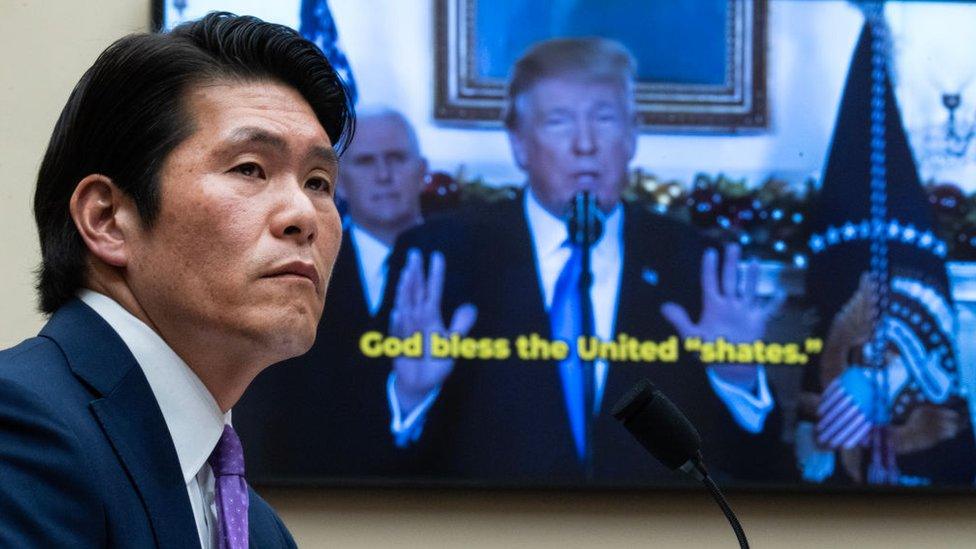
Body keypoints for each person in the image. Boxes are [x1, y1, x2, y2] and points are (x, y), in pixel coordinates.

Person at [0, 12, 353, 547]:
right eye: (250, 168)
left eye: (319, 181)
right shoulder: (22, 429)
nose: (303, 214)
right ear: (107, 220)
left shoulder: (261, 530)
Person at [381, 38, 793, 484]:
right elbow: (365, 457)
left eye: (604, 118)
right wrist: (411, 395)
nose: (585, 144)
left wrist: (738, 381)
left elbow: (763, 474)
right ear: (519, 144)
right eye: (559, 121)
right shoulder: (441, 258)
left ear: (632, 135)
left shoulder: (694, 264)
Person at [234, 107, 429, 480]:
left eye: (396, 159)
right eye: (367, 162)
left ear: (422, 171)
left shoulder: (475, 264)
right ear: (342, 182)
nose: (384, 176)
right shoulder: (289, 269)